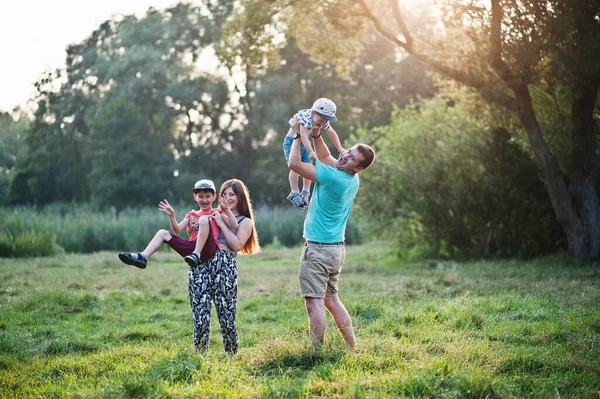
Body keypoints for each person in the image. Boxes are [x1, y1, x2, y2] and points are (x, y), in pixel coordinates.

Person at [288, 123, 375, 350]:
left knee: (314, 304)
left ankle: (315, 352)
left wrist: (299, 134)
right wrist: (316, 132)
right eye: (348, 151)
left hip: (317, 251)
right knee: (331, 300)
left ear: (357, 168)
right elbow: (326, 155)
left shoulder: (332, 178)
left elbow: (294, 163)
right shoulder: (351, 179)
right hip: (336, 250)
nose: (345, 155)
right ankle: (352, 347)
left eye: (352, 158)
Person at [184, 178, 260, 354]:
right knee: (200, 312)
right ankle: (200, 355)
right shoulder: (212, 213)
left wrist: (221, 223)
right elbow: (196, 236)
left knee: (226, 314)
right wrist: (191, 228)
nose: (227, 198)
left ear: (240, 197)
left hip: (224, 266)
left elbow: (236, 245)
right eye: (224, 194)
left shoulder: (244, 221)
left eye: (231, 194)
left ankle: (232, 354)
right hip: (201, 264)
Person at [118, 179, 238, 269]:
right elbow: (177, 229)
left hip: (208, 248)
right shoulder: (192, 214)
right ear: (195, 197)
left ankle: (196, 254)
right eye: (200, 197)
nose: (204, 200)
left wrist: (226, 209)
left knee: (203, 220)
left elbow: (234, 225)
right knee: (162, 233)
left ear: (214, 197)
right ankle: (143, 257)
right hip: (191, 249)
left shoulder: (216, 212)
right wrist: (172, 216)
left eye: (207, 196)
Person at [283, 98, 345, 209]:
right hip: (292, 141)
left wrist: (340, 148)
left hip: (305, 142)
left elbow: (331, 133)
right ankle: (294, 192)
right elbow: (303, 136)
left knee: (308, 166)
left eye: (326, 121)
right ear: (313, 113)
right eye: (321, 121)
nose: (323, 124)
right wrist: (311, 151)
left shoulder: (322, 120)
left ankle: (305, 191)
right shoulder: (305, 118)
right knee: (295, 168)